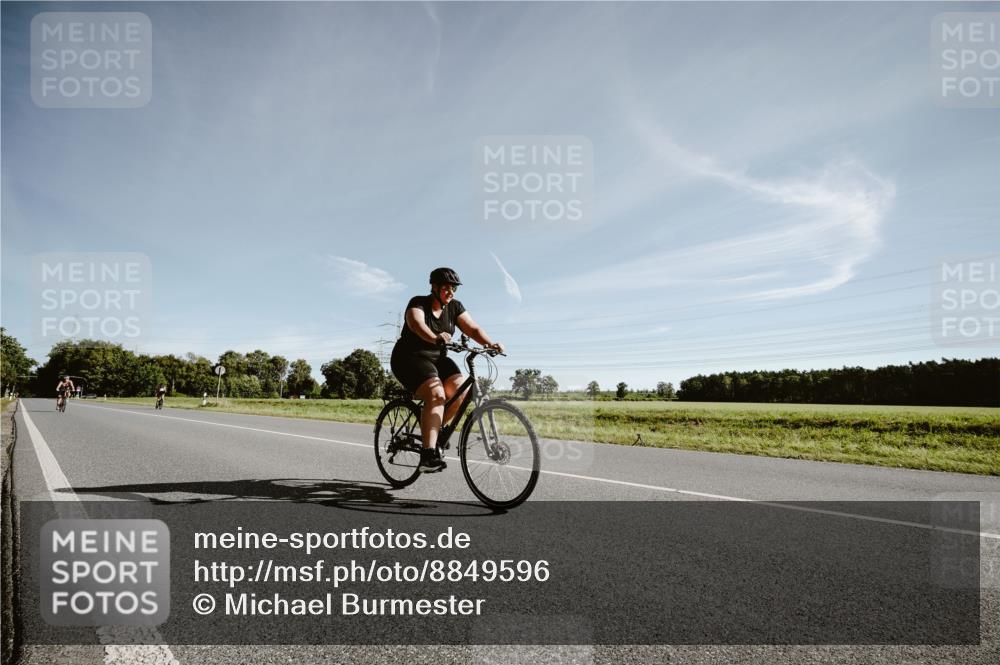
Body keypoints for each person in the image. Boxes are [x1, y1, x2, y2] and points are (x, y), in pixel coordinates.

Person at [390, 268, 504, 473]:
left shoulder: (454, 307)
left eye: (454, 289)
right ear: (434, 287)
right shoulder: (418, 303)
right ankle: (427, 455)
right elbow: (416, 324)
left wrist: (490, 343)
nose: (451, 292)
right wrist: (435, 338)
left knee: (462, 391)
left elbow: (473, 329)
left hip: (437, 359)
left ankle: (436, 432)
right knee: (436, 394)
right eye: (446, 288)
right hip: (409, 358)